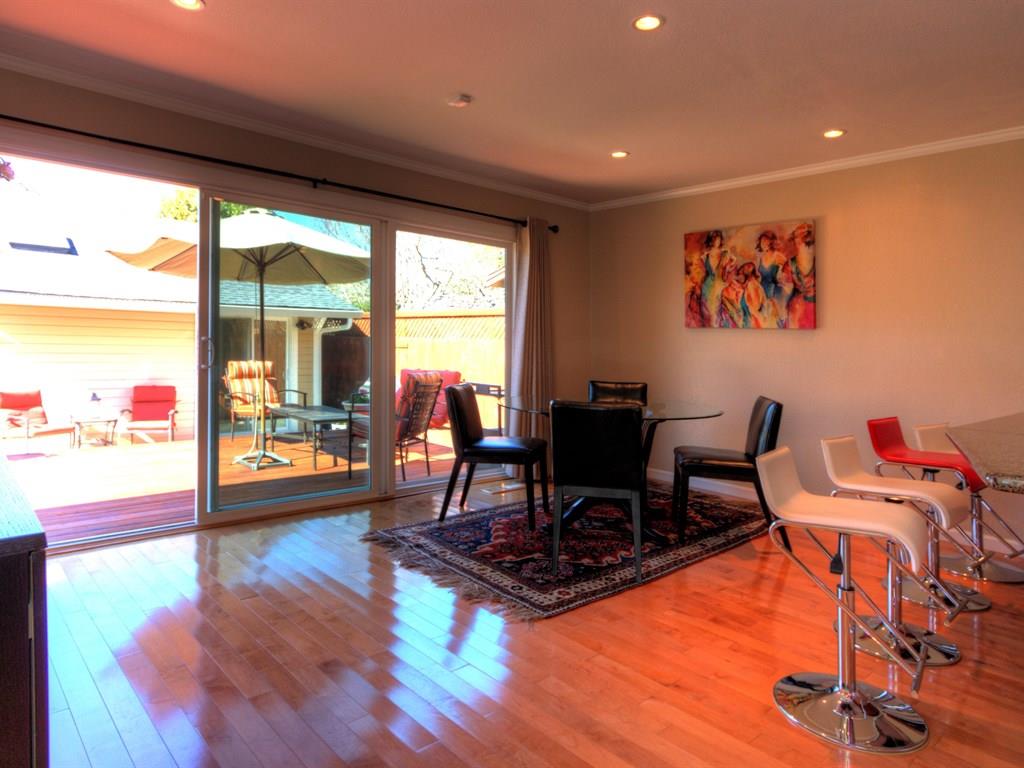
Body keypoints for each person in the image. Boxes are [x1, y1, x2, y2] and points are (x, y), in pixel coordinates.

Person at [699, 230, 727, 325]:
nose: (716, 242)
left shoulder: (724, 253)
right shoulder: (705, 256)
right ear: (711, 240)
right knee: (706, 310)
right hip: (707, 285)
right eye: (714, 239)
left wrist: (726, 271)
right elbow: (704, 271)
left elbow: (732, 263)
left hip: (718, 284)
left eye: (718, 239)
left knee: (716, 310)